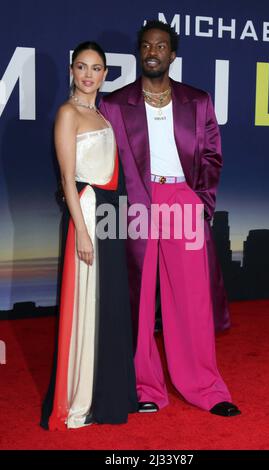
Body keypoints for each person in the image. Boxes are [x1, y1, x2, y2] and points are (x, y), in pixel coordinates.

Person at [100, 21, 241, 417]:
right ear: (138, 52)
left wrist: (200, 202)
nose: (152, 51)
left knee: (192, 300)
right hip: (137, 204)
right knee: (139, 301)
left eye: (161, 46)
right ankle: (145, 386)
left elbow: (212, 154)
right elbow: (104, 160)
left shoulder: (198, 100)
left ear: (172, 54)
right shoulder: (114, 103)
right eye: (146, 45)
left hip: (183, 198)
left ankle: (206, 388)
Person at [40, 41, 138, 430]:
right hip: (87, 216)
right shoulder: (68, 113)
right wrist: (81, 231)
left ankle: (106, 391)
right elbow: (67, 178)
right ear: (72, 71)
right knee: (86, 303)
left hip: (107, 217)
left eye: (96, 68)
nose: (88, 75)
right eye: (81, 67)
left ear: (105, 74)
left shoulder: (102, 114)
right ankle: (79, 399)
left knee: (108, 303)